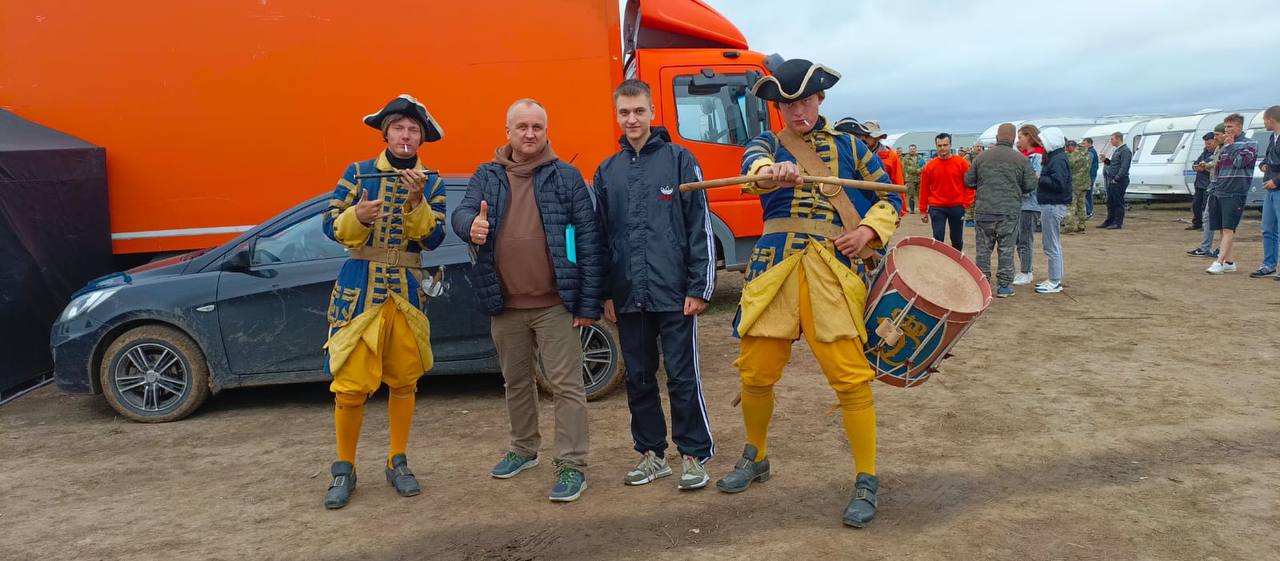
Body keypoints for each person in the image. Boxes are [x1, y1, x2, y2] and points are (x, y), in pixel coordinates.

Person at [715, 58, 902, 529]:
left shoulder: (851, 147)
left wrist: (867, 232)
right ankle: (755, 455)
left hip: (833, 272)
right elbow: (753, 170)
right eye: (787, 106)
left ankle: (866, 478)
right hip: (774, 272)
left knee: (851, 379)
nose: (797, 112)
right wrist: (770, 171)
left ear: (820, 99)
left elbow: (890, 197)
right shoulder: (766, 143)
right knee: (755, 374)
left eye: (804, 102)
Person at [451, 98, 605, 502]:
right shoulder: (486, 175)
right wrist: (471, 225)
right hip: (505, 304)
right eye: (522, 127)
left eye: (537, 127)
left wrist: (588, 304)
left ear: (546, 131)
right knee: (516, 382)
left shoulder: (566, 177)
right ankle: (524, 449)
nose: (530, 134)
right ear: (508, 132)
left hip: (556, 304)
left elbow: (589, 242)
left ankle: (572, 464)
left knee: (567, 386)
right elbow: (461, 213)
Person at [320, 94, 449, 509]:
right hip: (360, 292)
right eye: (398, 128)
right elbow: (329, 225)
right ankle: (344, 467)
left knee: (405, 380)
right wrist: (357, 217)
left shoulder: (432, 182)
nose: (405, 135)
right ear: (386, 134)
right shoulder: (357, 173)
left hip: (406, 293)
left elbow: (434, 238)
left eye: (413, 130)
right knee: (349, 385)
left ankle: (397, 460)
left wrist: (416, 203)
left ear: (421, 139)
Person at [593, 79, 717, 490]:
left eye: (639, 111)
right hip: (628, 294)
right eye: (624, 112)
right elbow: (600, 236)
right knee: (639, 377)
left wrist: (699, 287)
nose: (632, 119)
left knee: (682, 376)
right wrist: (606, 293)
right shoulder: (607, 171)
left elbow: (699, 225)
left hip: (675, 293)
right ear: (616, 115)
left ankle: (694, 455)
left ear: (652, 112)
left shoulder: (680, 160)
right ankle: (652, 454)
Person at [964, 123, 1036, 297]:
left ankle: (982, 285)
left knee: (983, 250)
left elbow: (968, 181)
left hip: (984, 210)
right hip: (1009, 211)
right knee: (1006, 249)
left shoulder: (981, 158)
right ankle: (1004, 286)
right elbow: (1030, 185)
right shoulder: (1021, 159)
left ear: (997, 137)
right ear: (1013, 139)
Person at [1206, 113, 1258, 274]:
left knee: (1229, 228)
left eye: (1230, 126)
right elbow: (1218, 169)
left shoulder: (1250, 144)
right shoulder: (1224, 146)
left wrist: (1231, 146)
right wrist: (1213, 188)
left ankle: (1219, 262)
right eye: (1226, 127)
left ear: (1239, 127)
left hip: (1235, 192)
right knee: (1222, 228)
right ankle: (1229, 262)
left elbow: (1240, 163)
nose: (1227, 130)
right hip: (1219, 191)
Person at [838, 119, 905, 216]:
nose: (865, 139)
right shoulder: (845, 156)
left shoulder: (888, 156)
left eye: (869, 136)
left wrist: (897, 211)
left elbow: (897, 183)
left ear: (877, 138)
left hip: (873, 209)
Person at [919, 132, 973, 251]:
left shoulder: (961, 163)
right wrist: (923, 210)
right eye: (939, 145)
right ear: (936, 146)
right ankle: (938, 262)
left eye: (945, 145)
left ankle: (956, 260)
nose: (942, 148)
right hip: (937, 207)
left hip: (957, 207)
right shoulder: (929, 166)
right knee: (938, 239)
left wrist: (966, 203)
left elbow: (969, 185)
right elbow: (924, 189)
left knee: (957, 239)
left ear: (950, 145)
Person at [1034, 128, 1071, 294]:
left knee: (1051, 243)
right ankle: (1054, 278)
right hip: (1052, 204)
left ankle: (1055, 280)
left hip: (1053, 205)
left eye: (1043, 141)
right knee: (1052, 243)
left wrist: (1039, 178)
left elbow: (1059, 183)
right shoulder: (1057, 157)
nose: (1041, 144)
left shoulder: (1057, 159)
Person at [1189, 124, 1228, 258]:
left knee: (1223, 221)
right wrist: (1204, 165)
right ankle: (1206, 248)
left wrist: (1206, 166)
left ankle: (1222, 250)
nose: (1215, 138)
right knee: (1207, 216)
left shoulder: (1227, 148)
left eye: (1217, 135)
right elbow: (1214, 164)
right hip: (1212, 186)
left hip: (1221, 187)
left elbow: (1221, 165)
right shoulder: (1214, 150)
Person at [1014, 124, 1045, 286]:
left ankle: (1026, 271)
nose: (1018, 141)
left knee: (1025, 239)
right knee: (1020, 239)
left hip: (1029, 204)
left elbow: (1033, 182)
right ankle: (1025, 270)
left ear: (1029, 137)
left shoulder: (1037, 157)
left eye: (1020, 137)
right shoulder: (1027, 156)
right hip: (1023, 204)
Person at [1251, 105, 1280, 279]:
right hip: (1269, 189)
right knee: (1267, 229)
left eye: (1264, 120)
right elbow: (1268, 157)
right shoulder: (1272, 137)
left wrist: (1276, 181)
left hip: (1277, 186)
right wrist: (1263, 164)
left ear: (1271, 119)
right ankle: (1269, 265)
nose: (1264, 123)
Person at [1099, 132, 1132, 229]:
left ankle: (1117, 223)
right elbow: (1114, 164)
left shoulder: (1125, 151)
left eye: (1112, 139)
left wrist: (1117, 178)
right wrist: (1106, 160)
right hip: (1112, 180)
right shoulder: (1117, 150)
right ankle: (1109, 221)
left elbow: (1124, 167)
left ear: (1118, 139)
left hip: (1119, 181)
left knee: (1118, 202)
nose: (1111, 141)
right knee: (1110, 202)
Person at [1189, 131, 1217, 232]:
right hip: (1199, 184)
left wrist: (1204, 167)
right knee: (1196, 205)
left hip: (1208, 184)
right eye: (1206, 143)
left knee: (1206, 206)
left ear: (1215, 141)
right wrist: (1195, 167)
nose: (1207, 145)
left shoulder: (1217, 153)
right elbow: (1196, 163)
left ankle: (1206, 226)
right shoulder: (1204, 152)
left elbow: (1212, 165)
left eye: (1209, 143)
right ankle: (1197, 224)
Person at [1063, 140, 1091, 233]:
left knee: (1071, 206)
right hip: (1084, 183)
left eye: (1067, 147)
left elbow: (1068, 166)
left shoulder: (1072, 156)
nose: (1066, 149)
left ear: (1071, 146)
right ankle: (1081, 224)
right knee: (1081, 205)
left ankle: (1069, 226)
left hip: (1074, 184)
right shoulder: (1086, 154)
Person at [901, 144, 924, 213]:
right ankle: (912, 210)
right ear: (909, 150)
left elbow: (923, 166)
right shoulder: (906, 158)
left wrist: (920, 170)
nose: (912, 150)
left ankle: (922, 208)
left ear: (916, 150)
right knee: (911, 195)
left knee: (920, 194)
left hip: (919, 179)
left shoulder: (920, 157)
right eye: (911, 149)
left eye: (913, 149)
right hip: (910, 179)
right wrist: (917, 170)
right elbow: (906, 168)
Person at [1082, 137, 1100, 218]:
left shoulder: (1090, 152)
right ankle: (1089, 211)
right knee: (1088, 194)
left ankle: (1089, 211)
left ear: (1089, 143)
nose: (1083, 145)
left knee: (1086, 194)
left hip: (1089, 176)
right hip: (1090, 175)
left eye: (1084, 143)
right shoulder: (1091, 151)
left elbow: (1087, 164)